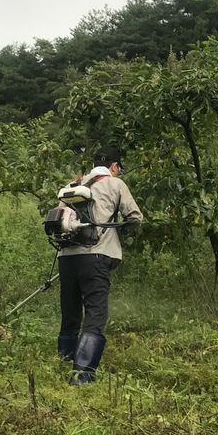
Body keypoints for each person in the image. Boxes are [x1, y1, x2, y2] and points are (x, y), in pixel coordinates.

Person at [57, 145, 143, 386]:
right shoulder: (115, 184)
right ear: (114, 166)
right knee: (95, 313)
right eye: (119, 168)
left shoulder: (73, 186)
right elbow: (135, 217)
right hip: (95, 257)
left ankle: (63, 362)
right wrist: (121, 229)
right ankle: (82, 375)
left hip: (66, 257)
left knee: (70, 313)